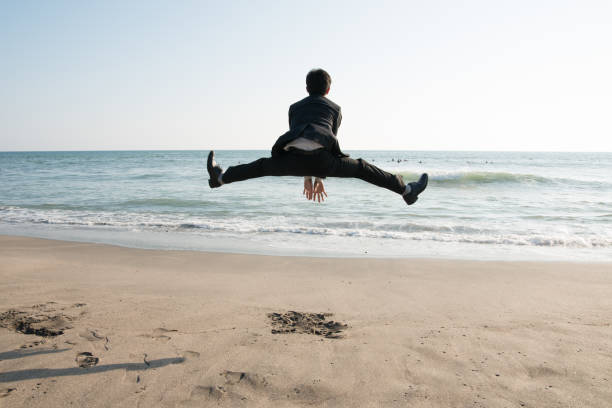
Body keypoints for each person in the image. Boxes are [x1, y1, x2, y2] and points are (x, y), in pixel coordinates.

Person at [206, 68, 428, 205]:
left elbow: (298, 140)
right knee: (362, 168)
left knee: (262, 166)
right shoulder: (335, 109)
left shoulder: (294, 108)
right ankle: (408, 191)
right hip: (323, 159)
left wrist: (308, 175)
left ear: (306, 88)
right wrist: (318, 175)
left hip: (292, 159)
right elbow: (326, 143)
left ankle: (221, 178)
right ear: (328, 90)